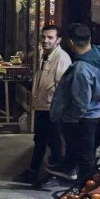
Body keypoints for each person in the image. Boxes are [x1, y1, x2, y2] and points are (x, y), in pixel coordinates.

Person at [49, 23, 100, 186]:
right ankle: (69, 169)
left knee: (85, 157)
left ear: (71, 42)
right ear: (89, 39)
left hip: (84, 117)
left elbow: (81, 103)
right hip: (97, 111)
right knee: (83, 150)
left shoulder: (81, 68)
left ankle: (86, 190)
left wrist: (68, 118)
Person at [21, 24, 71, 184]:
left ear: (58, 40)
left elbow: (62, 87)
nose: (45, 40)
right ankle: (34, 170)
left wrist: (57, 108)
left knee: (54, 142)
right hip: (42, 106)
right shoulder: (44, 55)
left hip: (52, 109)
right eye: (43, 37)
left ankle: (54, 174)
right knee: (40, 140)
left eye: (50, 37)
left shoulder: (61, 59)